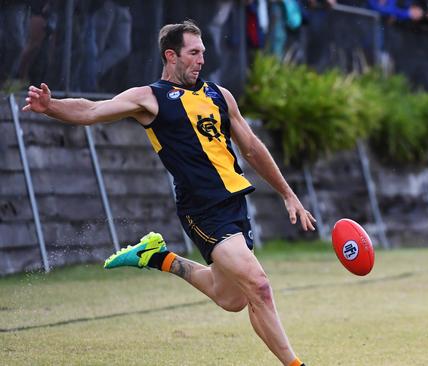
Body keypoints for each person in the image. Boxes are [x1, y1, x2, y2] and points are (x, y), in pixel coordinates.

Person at [22, 20, 314, 366]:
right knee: (260, 286)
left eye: (203, 53)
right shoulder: (150, 98)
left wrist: (287, 193)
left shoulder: (220, 95)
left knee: (233, 298)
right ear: (171, 55)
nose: (201, 60)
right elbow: (92, 110)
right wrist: (51, 106)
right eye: (193, 53)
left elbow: (251, 147)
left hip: (235, 203)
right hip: (202, 209)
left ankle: (159, 257)